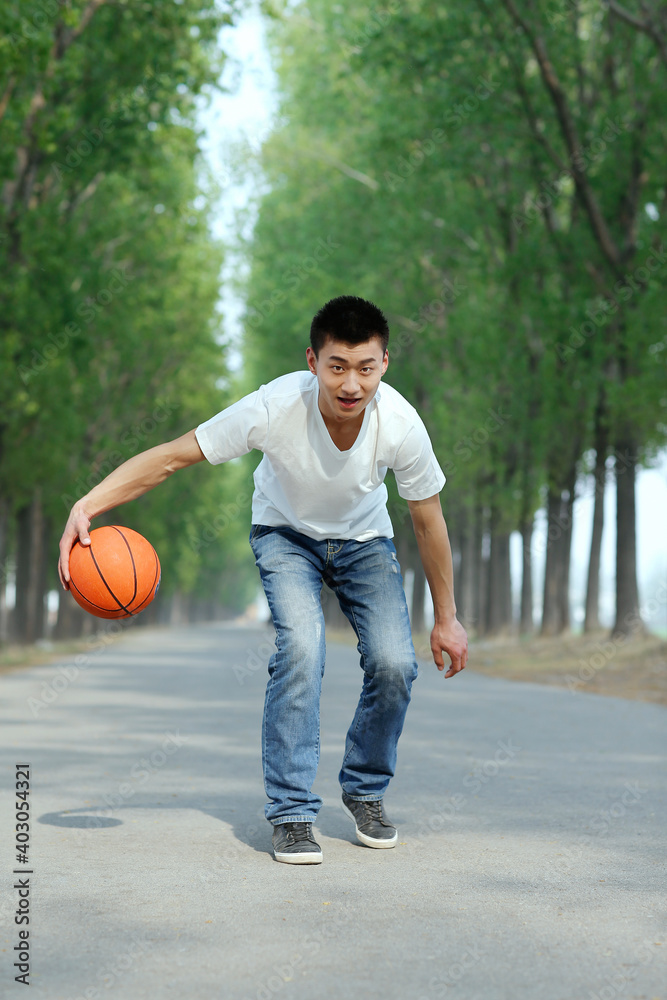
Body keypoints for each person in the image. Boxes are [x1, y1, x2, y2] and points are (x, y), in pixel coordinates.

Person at [58, 294, 468, 866]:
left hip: (364, 542)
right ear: (312, 361)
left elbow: (428, 521)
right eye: (337, 367)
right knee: (302, 646)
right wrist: (89, 502)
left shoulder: (400, 423)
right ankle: (294, 814)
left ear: (384, 364)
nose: (352, 384)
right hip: (285, 535)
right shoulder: (273, 407)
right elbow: (176, 456)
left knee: (395, 663)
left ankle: (366, 790)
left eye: (366, 368)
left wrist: (446, 618)